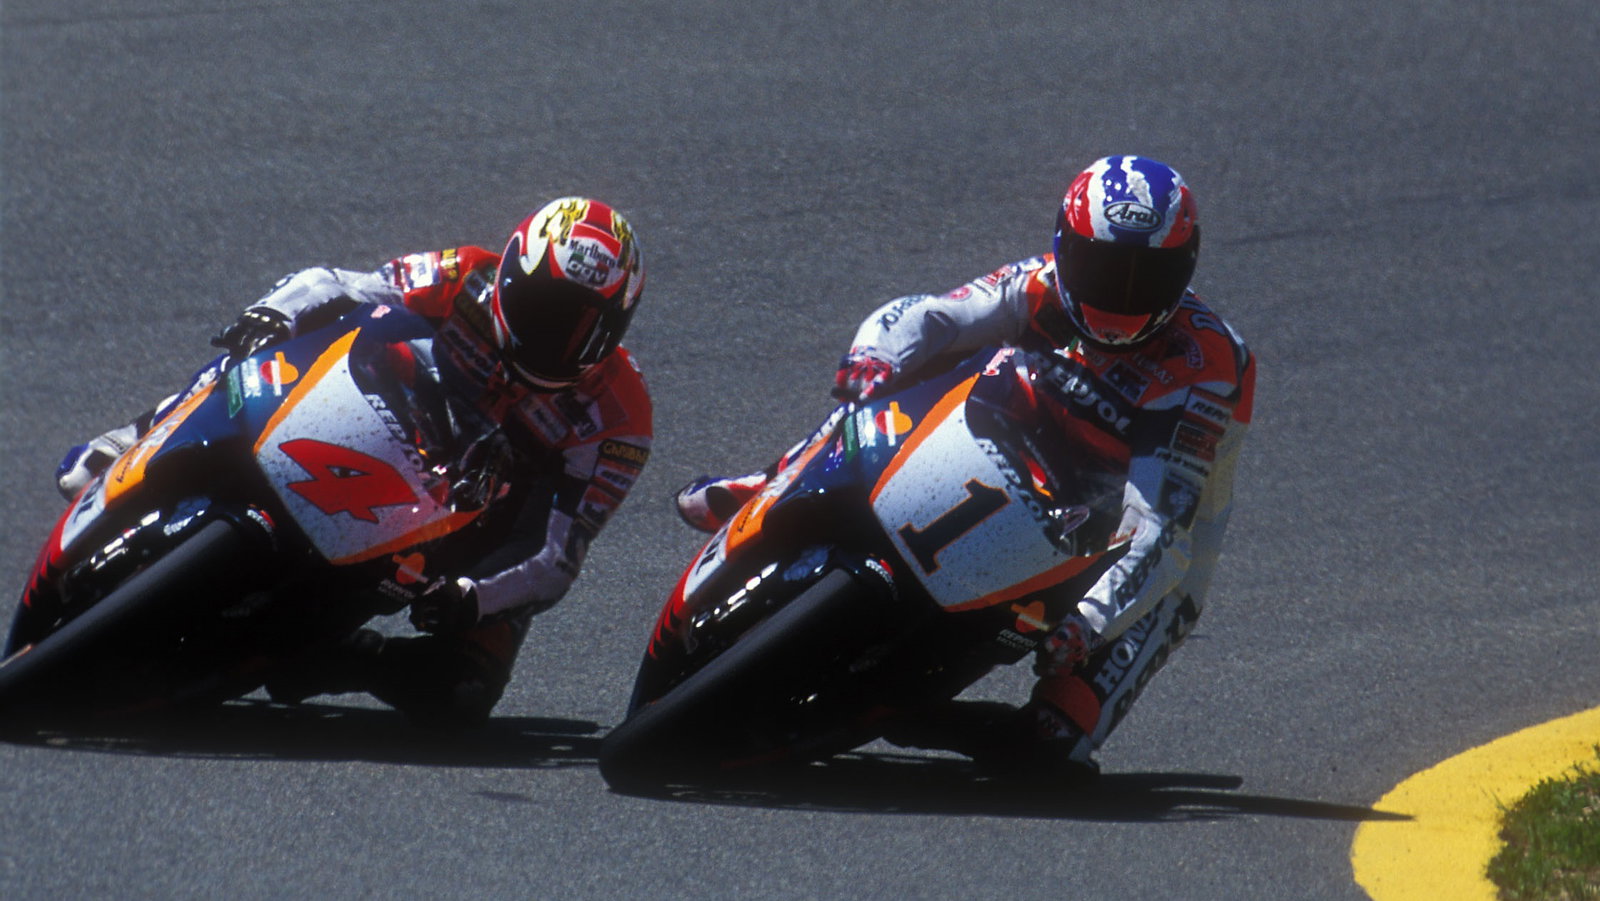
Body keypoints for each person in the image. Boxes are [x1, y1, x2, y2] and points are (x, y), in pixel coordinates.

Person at [676, 156, 1255, 777]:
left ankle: (909, 711)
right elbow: (931, 316)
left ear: (1185, 268)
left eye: (1147, 277)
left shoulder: (1209, 364)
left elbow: (1159, 525)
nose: (1121, 294)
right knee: (903, 377)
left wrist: (1087, 623)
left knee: (1052, 746)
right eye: (1102, 268)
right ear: (1065, 247)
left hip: (1129, 550)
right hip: (1008, 443)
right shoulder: (1041, 283)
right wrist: (873, 359)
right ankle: (777, 480)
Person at [56, 197, 652, 727]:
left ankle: (344, 658)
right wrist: (274, 314)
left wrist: (472, 593)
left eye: (582, 329)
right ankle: (138, 433)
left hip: (471, 530)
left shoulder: (620, 419)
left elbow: (556, 551)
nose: (554, 338)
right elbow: (344, 287)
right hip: (382, 422)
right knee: (262, 351)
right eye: (542, 308)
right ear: (511, 275)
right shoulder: (467, 274)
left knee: (461, 691)